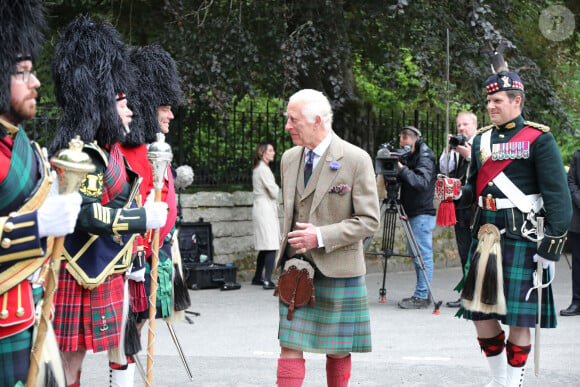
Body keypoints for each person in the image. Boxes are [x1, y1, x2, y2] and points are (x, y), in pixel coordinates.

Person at [50, 17, 168, 386]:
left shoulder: (107, 150)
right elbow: (85, 216)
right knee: (69, 358)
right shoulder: (82, 152)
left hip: (108, 266)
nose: (131, 111)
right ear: (103, 105)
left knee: (117, 344)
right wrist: (141, 218)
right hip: (78, 266)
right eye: (122, 105)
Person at [455, 61, 571, 386]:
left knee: (519, 318)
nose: (490, 106)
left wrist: (551, 246)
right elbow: (475, 187)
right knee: (480, 313)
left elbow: (558, 198)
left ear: (516, 101)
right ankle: (497, 379)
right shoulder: (480, 141)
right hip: (487, 234)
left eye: (498, 101)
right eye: (489, 101)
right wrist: (457, 192)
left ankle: (512, 382)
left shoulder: (539, 139)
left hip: (523, 235)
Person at [0, 2, 82, 385]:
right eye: (22, 73)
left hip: (29, 314)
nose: (35, 83)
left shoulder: (23, 146)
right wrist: (37, 224)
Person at [275, 89, 379, 387]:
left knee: (337, 349)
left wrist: (320, 236)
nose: (288, 126)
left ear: (317, 121)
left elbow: (369, 220)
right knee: (289, 344)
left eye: (293, 120)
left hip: (339, 267)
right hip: (296, 269)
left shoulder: (355, 159)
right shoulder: (289, 158)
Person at [395, 126, 437, 309]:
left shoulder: (425, 157)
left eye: (406, 146)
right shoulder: (411, 156)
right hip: (412, 211)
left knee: (422, 255)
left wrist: (401, 169)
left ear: (415, 142)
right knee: (416, 254)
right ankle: (422, 293)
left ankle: (421, 296)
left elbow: (421, 182)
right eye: (401, 145)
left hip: (421, 213)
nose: (404, 149)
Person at [439, 112, 478, 307]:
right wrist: (449, 149)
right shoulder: (456, 145)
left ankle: (477, 294)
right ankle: (466, 292)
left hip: (476, 206)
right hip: (459, 206)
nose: (461, 128)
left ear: (474, 125)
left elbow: (486, 166)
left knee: (476, 251)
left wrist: (469, 155)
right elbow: (444, 167)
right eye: (458, 125)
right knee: (464, 251)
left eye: (465, 125)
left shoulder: (481, 142)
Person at [251, 142, 281, 290]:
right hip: (265, 208)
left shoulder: (260, 168)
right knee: (270, 244)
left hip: (262, 207)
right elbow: (274, 191)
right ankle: (267, 280)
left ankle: (257, 277)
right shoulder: (264, 170)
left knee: (265, 245)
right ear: (262, 152)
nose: (273, 152)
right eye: (270, 150)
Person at [561, 149, 580, 316]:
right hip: (579, 219)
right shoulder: (578, 154)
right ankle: (577, 302)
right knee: (578, 264)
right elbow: (571, 181)